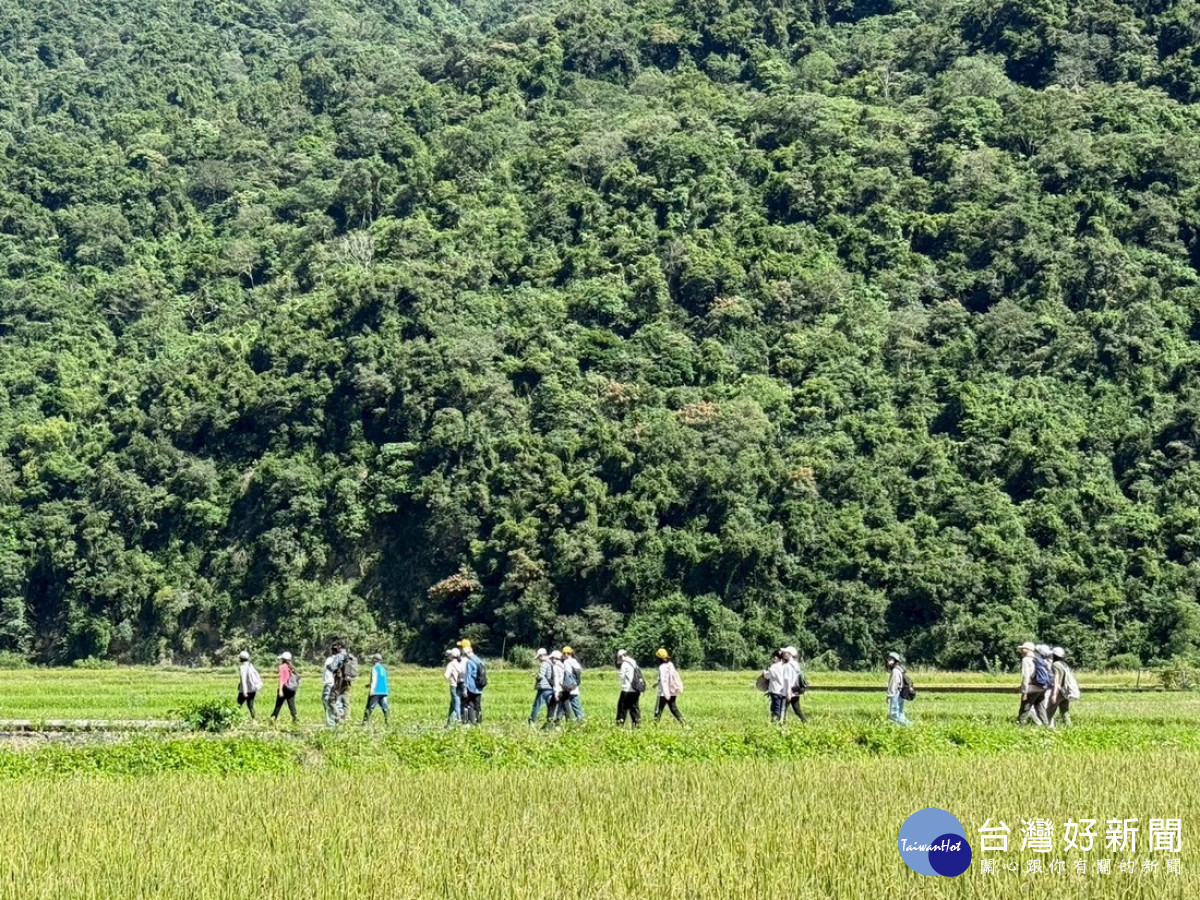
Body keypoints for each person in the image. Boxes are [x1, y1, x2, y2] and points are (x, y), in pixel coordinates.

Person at [1017, 641, 1051, 726]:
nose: (1021, 650)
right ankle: (1047, 726)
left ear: (1028, 649)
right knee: (1040, 707)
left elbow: (1026, 676)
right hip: (1042, 687)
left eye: (1022, 648)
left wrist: (1024, 691)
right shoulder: (1038, 659)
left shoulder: (1026, 660)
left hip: (1032, 688)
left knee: (1025, 708)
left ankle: (1020, 726)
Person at [1048, 646, 1079, 727]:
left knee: (1049, 710)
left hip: (1059, 691)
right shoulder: (1064, 664)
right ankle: (1069, 726)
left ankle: (1047, 727)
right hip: (1065, 690)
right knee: (1064, 710)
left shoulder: (1055, 664)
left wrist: (1054, 694)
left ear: (1054, 655)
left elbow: (1057, 680)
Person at [653, 648, 685, 725]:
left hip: (664, 692)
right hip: (672, 691)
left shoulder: (662, 667)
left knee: (658, 709)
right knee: (673, 708)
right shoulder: (670, 664)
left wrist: (665, 692)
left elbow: (664, 680)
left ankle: (655, 725)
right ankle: (683, 722)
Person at [763, 649, 793, 723]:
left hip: (775, 690)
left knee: (775, 708)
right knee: (781, 708)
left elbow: (767, 676)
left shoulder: (774, 667)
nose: (773, 659)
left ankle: (775, 723)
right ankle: (780, 721)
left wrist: (764, 672)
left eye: (773, 657)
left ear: (776, 657)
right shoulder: (785, 666)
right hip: (783, 691)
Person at [460, 640, 485, 725]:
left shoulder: (469, 662)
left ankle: (471, 722)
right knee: (478, 706)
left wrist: (465, 689)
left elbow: (467, 676)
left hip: (471, 687)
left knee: (470, 704)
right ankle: (479, 722)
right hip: (479, 687)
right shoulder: (479, 660)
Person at [615, 649, 642, 728]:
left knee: (622, 708)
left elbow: (621, 677)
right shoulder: (633, 662)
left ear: (620, 656)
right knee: (634, 708)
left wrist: (619, 663)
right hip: (636, 689)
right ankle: (637, 725)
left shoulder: (624, 664)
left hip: (627, 690)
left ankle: (619, 724)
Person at [270, 651, 299, 723]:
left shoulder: (282, 667)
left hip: (284, 688)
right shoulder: (292, 667)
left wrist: (280, 690)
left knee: (278, 704)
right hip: (292, 689)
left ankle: (273, 717)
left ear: (283, 659)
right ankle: (295, 717)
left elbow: (282, 679)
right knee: (291, 704)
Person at [529, 648, 555, 725]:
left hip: (543, 687)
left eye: (539, 657)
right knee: (549, 705)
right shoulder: (551, 662)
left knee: (536, 705)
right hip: (550, 687)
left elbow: (541, 676)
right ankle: (550, 721)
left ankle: (532, 721)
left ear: (541, 656)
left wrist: (534, 675)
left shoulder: (544, 663)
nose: (539, 659)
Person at [362, 653, 390, 725]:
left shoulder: (374, 668)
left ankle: (365, 723)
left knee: (369, 707)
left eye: (372, 659)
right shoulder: (383, 668)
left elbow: (374, 679)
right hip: (384, 691)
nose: (371, 660)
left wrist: (372, 690)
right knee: (385, 708)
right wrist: (369, 685)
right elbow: (381, 679)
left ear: (375, 660)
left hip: (376, 691)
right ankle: (388, 722)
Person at [885, 651, 911, 726]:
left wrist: (889, 696)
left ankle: (908, 726)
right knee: (900, 713)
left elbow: (893, 684)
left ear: (895, 661)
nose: (888, 661)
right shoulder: (899, 669)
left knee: (894, 715)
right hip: (901, 694)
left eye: (891, 659)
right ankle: (907, 726)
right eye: (888, 659)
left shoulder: (895, 671)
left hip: (895, 694)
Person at [782, 646, 808, 722]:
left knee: (782, 709)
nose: (783, 654)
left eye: (785, 652)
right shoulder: (796, 664)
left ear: (790, 654)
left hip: (789, 691)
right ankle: (805, 722)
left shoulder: (787, 666)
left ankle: (781, 725)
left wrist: (788, 692)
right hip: (796, 690)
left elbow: (787, 679)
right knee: (797, 709)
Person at [237, 651, 263, 720]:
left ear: (241, 659)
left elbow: (243, 680)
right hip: (253, 689)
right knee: (250, 706)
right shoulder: (250, 665)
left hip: (244, 691)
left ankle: (234, 719)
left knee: (238, 705)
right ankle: (254, 720)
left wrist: (245, 692)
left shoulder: (242, 667)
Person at [561, 646, 584, 721]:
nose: (563, 655)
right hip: (575, 687)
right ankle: (581, 720)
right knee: (576, 706)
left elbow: (567, 675)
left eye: (563, 654)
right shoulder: (575, 661)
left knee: (563, 705)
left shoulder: (567, 662)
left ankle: (566, 720)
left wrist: (564, 687)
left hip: (569, 688)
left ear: (566, 654)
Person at [322, 643, 341, 727]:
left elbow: (326, 673)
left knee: (327, 702)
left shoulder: (329, 660)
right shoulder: (342, 660)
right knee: (337, 702)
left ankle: (331, 723)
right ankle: (339, 719)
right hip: (338, 685)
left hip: (330, 684)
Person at [444, 648, 464, 727]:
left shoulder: (451, 664)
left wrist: (451, 678)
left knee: (456, 704)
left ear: (452, 656)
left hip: (453, 685)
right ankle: (449, 723)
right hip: (461, 685)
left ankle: (460, 720)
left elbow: (446, 675)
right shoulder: (461, 662)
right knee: (453, 704)